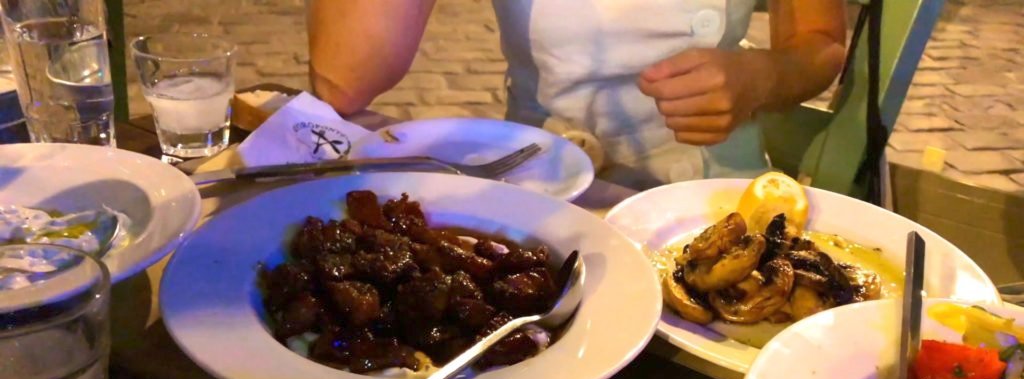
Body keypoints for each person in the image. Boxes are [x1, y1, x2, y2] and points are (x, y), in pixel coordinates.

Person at [308, 1, 846, 188]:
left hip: (710, 202)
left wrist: (760, 78)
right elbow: (344, 78)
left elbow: (819, 45)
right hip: (551, 194)